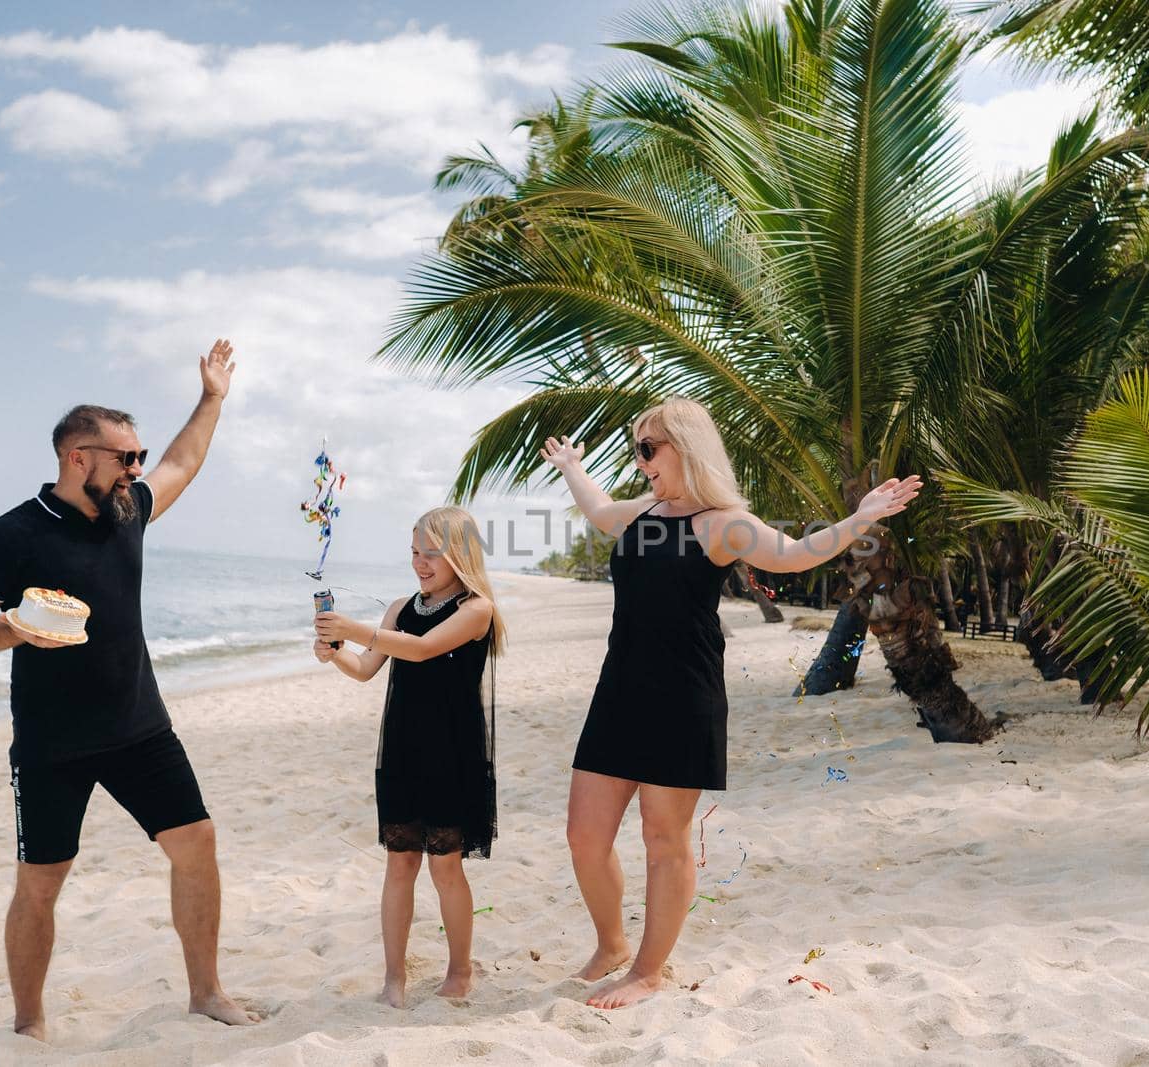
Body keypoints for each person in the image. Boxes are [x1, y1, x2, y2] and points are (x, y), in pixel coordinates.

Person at [539, 395, 921, 1009]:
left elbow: (795, 556)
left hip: (682, 695)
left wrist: (863, 516)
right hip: (619, 690)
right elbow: (599, 510)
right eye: (638, 449)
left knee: (665, 839)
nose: (641, 463)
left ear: (685, 449)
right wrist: (573, 469)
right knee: (585, 834)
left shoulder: (724, 523)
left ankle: (646, 970)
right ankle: (611, 944)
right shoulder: (646, 512)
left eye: (648, 448)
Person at [0, 339, 256, 1041]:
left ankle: (205, 991)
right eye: (126, 457)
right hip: (52, 743)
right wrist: (17, 630)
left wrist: (211, 398)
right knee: (41, 883)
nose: (138, 468)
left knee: (197, 843)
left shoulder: (129, 512)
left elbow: (184, 462)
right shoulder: (13, 533)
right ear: (77, 456)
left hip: (140, 725)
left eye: (138, 456)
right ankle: (29, 1025)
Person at [312, 506, 506, 1008]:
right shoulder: (399, 607)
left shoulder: (476, 609)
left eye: (432, 553)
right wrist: (336, 654)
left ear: (459, 554)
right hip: (402, 748)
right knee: (400, 864)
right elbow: (366, 669)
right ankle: (393, 979)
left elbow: (420, 650)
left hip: (452, 752)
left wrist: (352, 628)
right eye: (415, 552)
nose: (421, 563)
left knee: (445, 868)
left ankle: (460, 971)